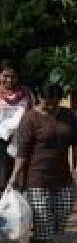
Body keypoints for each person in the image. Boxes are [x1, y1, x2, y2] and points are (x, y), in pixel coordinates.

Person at [7, 84, 77, 243]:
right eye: (47, 103)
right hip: (36, 174)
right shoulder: (30, 118)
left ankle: (42, 236)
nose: (51, 107)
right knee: (42, 212)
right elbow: (22, 151)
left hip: (62, 173)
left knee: (63, 209)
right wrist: (14, 176)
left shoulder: (69, 116)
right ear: (39, 99)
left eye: (55, 103)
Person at [0, 60, 35, 190]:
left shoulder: (26, 93)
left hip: (21, 140)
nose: (9, 80)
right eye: (5, 76)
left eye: (13, 76)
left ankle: (16, 208)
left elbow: (33, 113)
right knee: (2, 179)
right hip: (1, 142)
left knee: (19, 180)